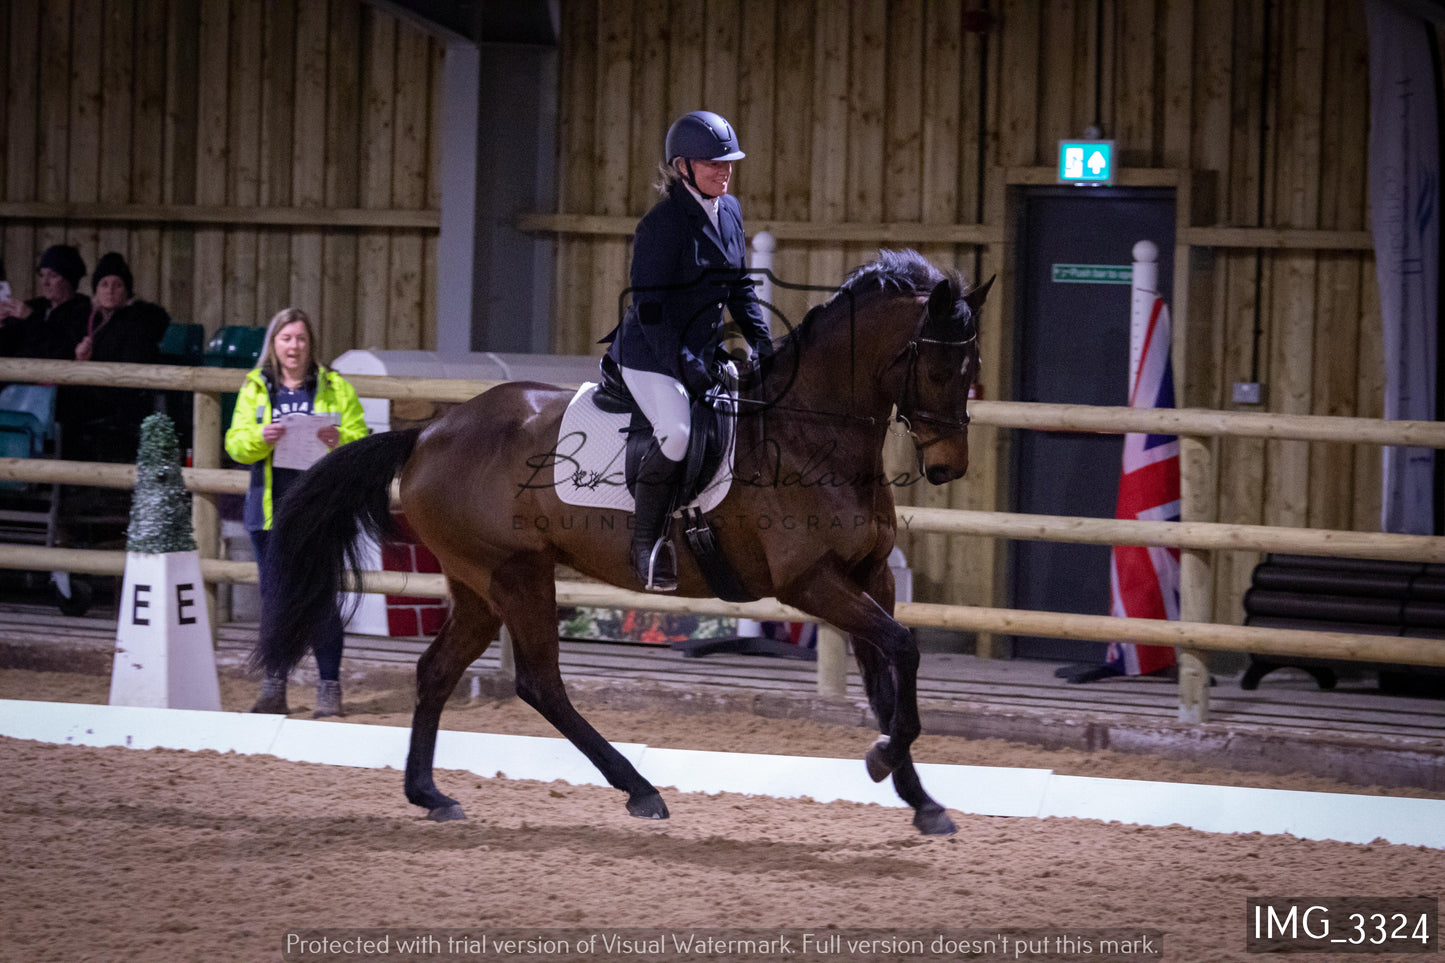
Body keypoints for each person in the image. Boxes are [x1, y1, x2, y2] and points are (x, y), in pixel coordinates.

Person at [602, 109, 773, 592]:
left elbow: (739, 286)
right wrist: (689, 370)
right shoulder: (661, 226)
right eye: (713, 164)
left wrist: (763, 343)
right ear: (682, 167)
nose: (725, 171)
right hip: (651, 353)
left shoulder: (731, 209)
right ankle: (645, 546)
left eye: (728, 163)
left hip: (702, 349)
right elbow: (651, 310)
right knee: (676, 433)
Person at [225, 307, 368, 717]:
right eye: (286, 338)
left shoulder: (335, 386)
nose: (294, 346)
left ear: (311, 344)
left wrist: (339, 439)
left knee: (323, 600)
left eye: (301, 339)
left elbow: (360, 438)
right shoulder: (256, 387)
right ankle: (274, 687)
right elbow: (235, 443)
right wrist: (260, 438)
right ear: (274, 344)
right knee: (275, 601)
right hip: (270, 512)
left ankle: (328, 689)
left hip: (320, 512)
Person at [58, 252, 172, 464]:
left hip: (123, 396)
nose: (110, 290)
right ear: (96, 290)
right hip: (89, 391)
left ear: (127, 291)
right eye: (104, 284)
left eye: (117, 285)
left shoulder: (140, 321)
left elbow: (136, 356)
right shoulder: (83, 320)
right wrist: (80, 358)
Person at [0, 245, 91, 358]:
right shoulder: (34, 306)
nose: (45, 282)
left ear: (69, 279)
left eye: (53, 276)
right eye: (42, 275)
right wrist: (2, 324)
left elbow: (61, 351)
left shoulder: (84, 311)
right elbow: (7, 350)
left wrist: (31, 319)